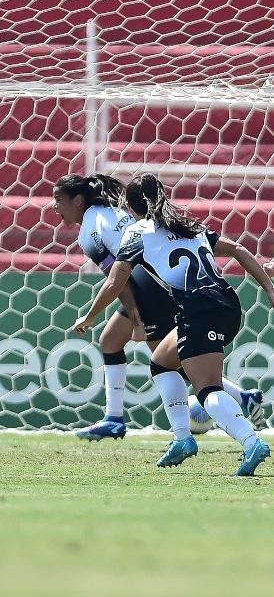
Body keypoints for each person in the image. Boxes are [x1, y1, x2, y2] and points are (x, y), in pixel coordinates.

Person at [72, 173, 274, 476]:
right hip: (226, 304)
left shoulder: (138, 233)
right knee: (162, 362)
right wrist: (269, 288)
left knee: (207, 390)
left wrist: (89, 317)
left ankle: (251, 442)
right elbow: (239, 250)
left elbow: (115, 282)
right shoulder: (188, 226)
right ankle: (182, 438)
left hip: (198, 309)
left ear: (129, 205)